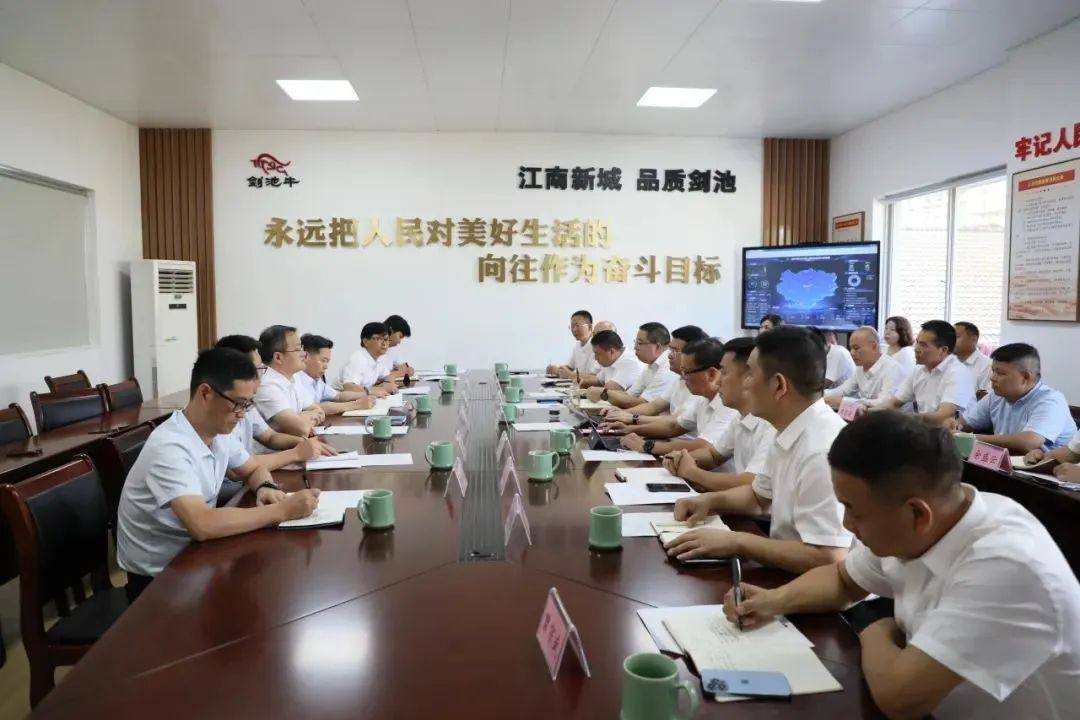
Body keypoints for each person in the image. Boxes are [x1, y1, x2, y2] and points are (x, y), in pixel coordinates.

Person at [723, 411, 1080, 720]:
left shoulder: (1007, 565)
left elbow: (899, 697)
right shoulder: (924, 519)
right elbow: (843, 580)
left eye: (854, 511)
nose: (846, 524)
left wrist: (874, 626)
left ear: (917, 514)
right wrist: (773, 600)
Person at [117, 348, 321, 601]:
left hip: (197, 557)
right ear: (205, 393)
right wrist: (282, 511)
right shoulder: (169, 446)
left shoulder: (217, 432)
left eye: (248, 404)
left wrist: (265, 486)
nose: (242, 414)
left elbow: (254, 468)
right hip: (159, 580)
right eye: (238, 404)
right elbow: (202, 524)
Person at [663, 326, 852, 574]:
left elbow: (829, 557)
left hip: (810, 583)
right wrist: (709, 501)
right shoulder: (786, 428)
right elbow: (758, 497)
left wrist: (737, 542)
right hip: (786, 570)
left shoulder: (820, 450)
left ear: (778, 385)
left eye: (750, 374)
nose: (745, 383)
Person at [662, 337, 776, 492]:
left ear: (750, 377)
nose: (718, 381)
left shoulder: (771, 424)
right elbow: (713, 455)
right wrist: (682, 459)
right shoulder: (741, 416)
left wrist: (693, 472)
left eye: (724, 373)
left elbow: (751, 483)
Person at [214, 335, 336, 468]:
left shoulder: (246, 401)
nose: (261, 376)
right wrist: (296, 453)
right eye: (257, 370)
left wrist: (303, 443)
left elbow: (270, 437)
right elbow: (239, 467)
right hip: (252, 470)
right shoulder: (220, 411)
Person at [604, 338, 738, 457]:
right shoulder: (702, 397)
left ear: (711, 374)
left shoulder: (729, 404)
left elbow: (704, 445)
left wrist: (648, 446)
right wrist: (630, 429)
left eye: (687, 372)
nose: (683, 377)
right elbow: (674, 426)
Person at [948, 343, 1076, 453]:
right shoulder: (996, 396)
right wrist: (955, 426)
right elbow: (965, 423)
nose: (992, 378)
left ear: (1025, 377)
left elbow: (1029, 442)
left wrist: (971, 438)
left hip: (1048, 470)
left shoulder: (1050, 400)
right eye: (993, 371)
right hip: (1008, 464)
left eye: (1000, 373)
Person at [601, 325, 708, 424]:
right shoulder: (679, 379)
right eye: (670, 350)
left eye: (675, 351)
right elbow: (653, 406)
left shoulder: (696, 385)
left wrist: (632, 419)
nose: (669, 355)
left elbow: (674, 424)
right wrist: (623, 413)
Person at [878, 320, 975, 424]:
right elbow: (893, 403)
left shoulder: (958, 373)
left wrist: (904, 418)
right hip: (925, 429)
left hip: (955, 432)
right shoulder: (918, 370)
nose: (916, 349)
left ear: (943, 350)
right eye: (917, 342)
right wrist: (869, 412)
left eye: (923, 345)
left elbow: (943, 416)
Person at [253, 325, 324, 437]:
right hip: (278, 448)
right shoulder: (266, 385)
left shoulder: (294, 377)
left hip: (298, 443)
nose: (304, 354)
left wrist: (302, 418)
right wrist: (303, 420)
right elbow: (300, 429)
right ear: (278, 357)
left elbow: (319, 411)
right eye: (298, 349)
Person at [591, 322, 678, 409]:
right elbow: (629, 395)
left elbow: (644, 404)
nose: (635, 347)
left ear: (657, 347)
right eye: (635, 342)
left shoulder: (667, 368)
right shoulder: (650, 366)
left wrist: (605, 393)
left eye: (639, 343)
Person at [824, 327, 904, 411]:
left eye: (856, 348)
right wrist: (819, 396)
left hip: (890, 417)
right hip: (870, 416)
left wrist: (845, 401)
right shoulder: (861, 367)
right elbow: (844, 389)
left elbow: (885, 404)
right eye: (851, 348)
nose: (852, 353)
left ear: (874, 346)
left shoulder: (892, 369)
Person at [296, 334, 377, 415]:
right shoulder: (297, 380)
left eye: (327, 362)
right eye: (323, 360)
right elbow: (314, 407)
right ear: (305, 357)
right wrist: (357, 405)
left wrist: (367, 394)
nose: (326, 366)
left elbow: (338, 396)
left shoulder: (316, 380)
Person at [339, 322, 398, 396]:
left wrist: (387, 383)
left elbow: (389, 375)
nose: (384, 343)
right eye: (379, 339)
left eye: (386, 339)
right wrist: (380, 389)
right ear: (365, 341)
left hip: (362, 399)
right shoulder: (358, 358)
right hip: (341, 399)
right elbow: (349, 387)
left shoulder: (379, 358)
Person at [583, 330, 644, 398]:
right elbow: (599, 380)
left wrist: (590, 390)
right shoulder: (610, 360)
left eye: (597, 354)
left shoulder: (631, 363)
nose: (595, 358)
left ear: (611, 351)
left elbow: (609, 390)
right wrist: (584, 382)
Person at [546, 310, 601, 381]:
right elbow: (569, 367)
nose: (574, 330)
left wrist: (570, 374)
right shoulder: (577, 346)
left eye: (577, 326)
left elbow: (596, 376)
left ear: (590, 327)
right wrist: (557, 370)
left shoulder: (598, 346)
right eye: (572, 326)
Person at [954, 321, 992, 399]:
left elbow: (986, 399)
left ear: (974, 339)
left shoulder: (987, 365)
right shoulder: (947, 362)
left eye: (956, 336)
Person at [378, 315, 416, 381]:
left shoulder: (391, 349)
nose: (399, 342)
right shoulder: (374, 348)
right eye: (400, 337)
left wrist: (407, 368)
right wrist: (404, 372)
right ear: (391, 330)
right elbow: (379, 377)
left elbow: (402, 366)